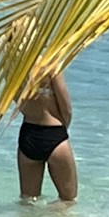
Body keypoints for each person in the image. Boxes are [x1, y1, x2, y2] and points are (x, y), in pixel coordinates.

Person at [10, 17, 76, 202]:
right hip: (54, 134)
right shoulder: (49, 64)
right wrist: (62, 131)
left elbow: (18, 102)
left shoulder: (12, 69)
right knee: (67, 202)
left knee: (28, 201)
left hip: (28, 136)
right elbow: (66, 108)